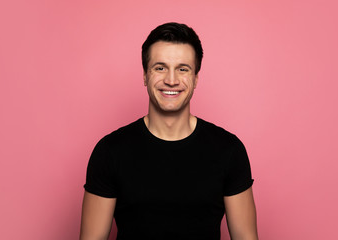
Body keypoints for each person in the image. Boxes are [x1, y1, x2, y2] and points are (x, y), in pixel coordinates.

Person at [80, 22, 258, 240]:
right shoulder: (110, 152)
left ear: (195, 78)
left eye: (183, 69)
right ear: (145, 75)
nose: (171, 80)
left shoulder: (229, 150)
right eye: (160, 68)